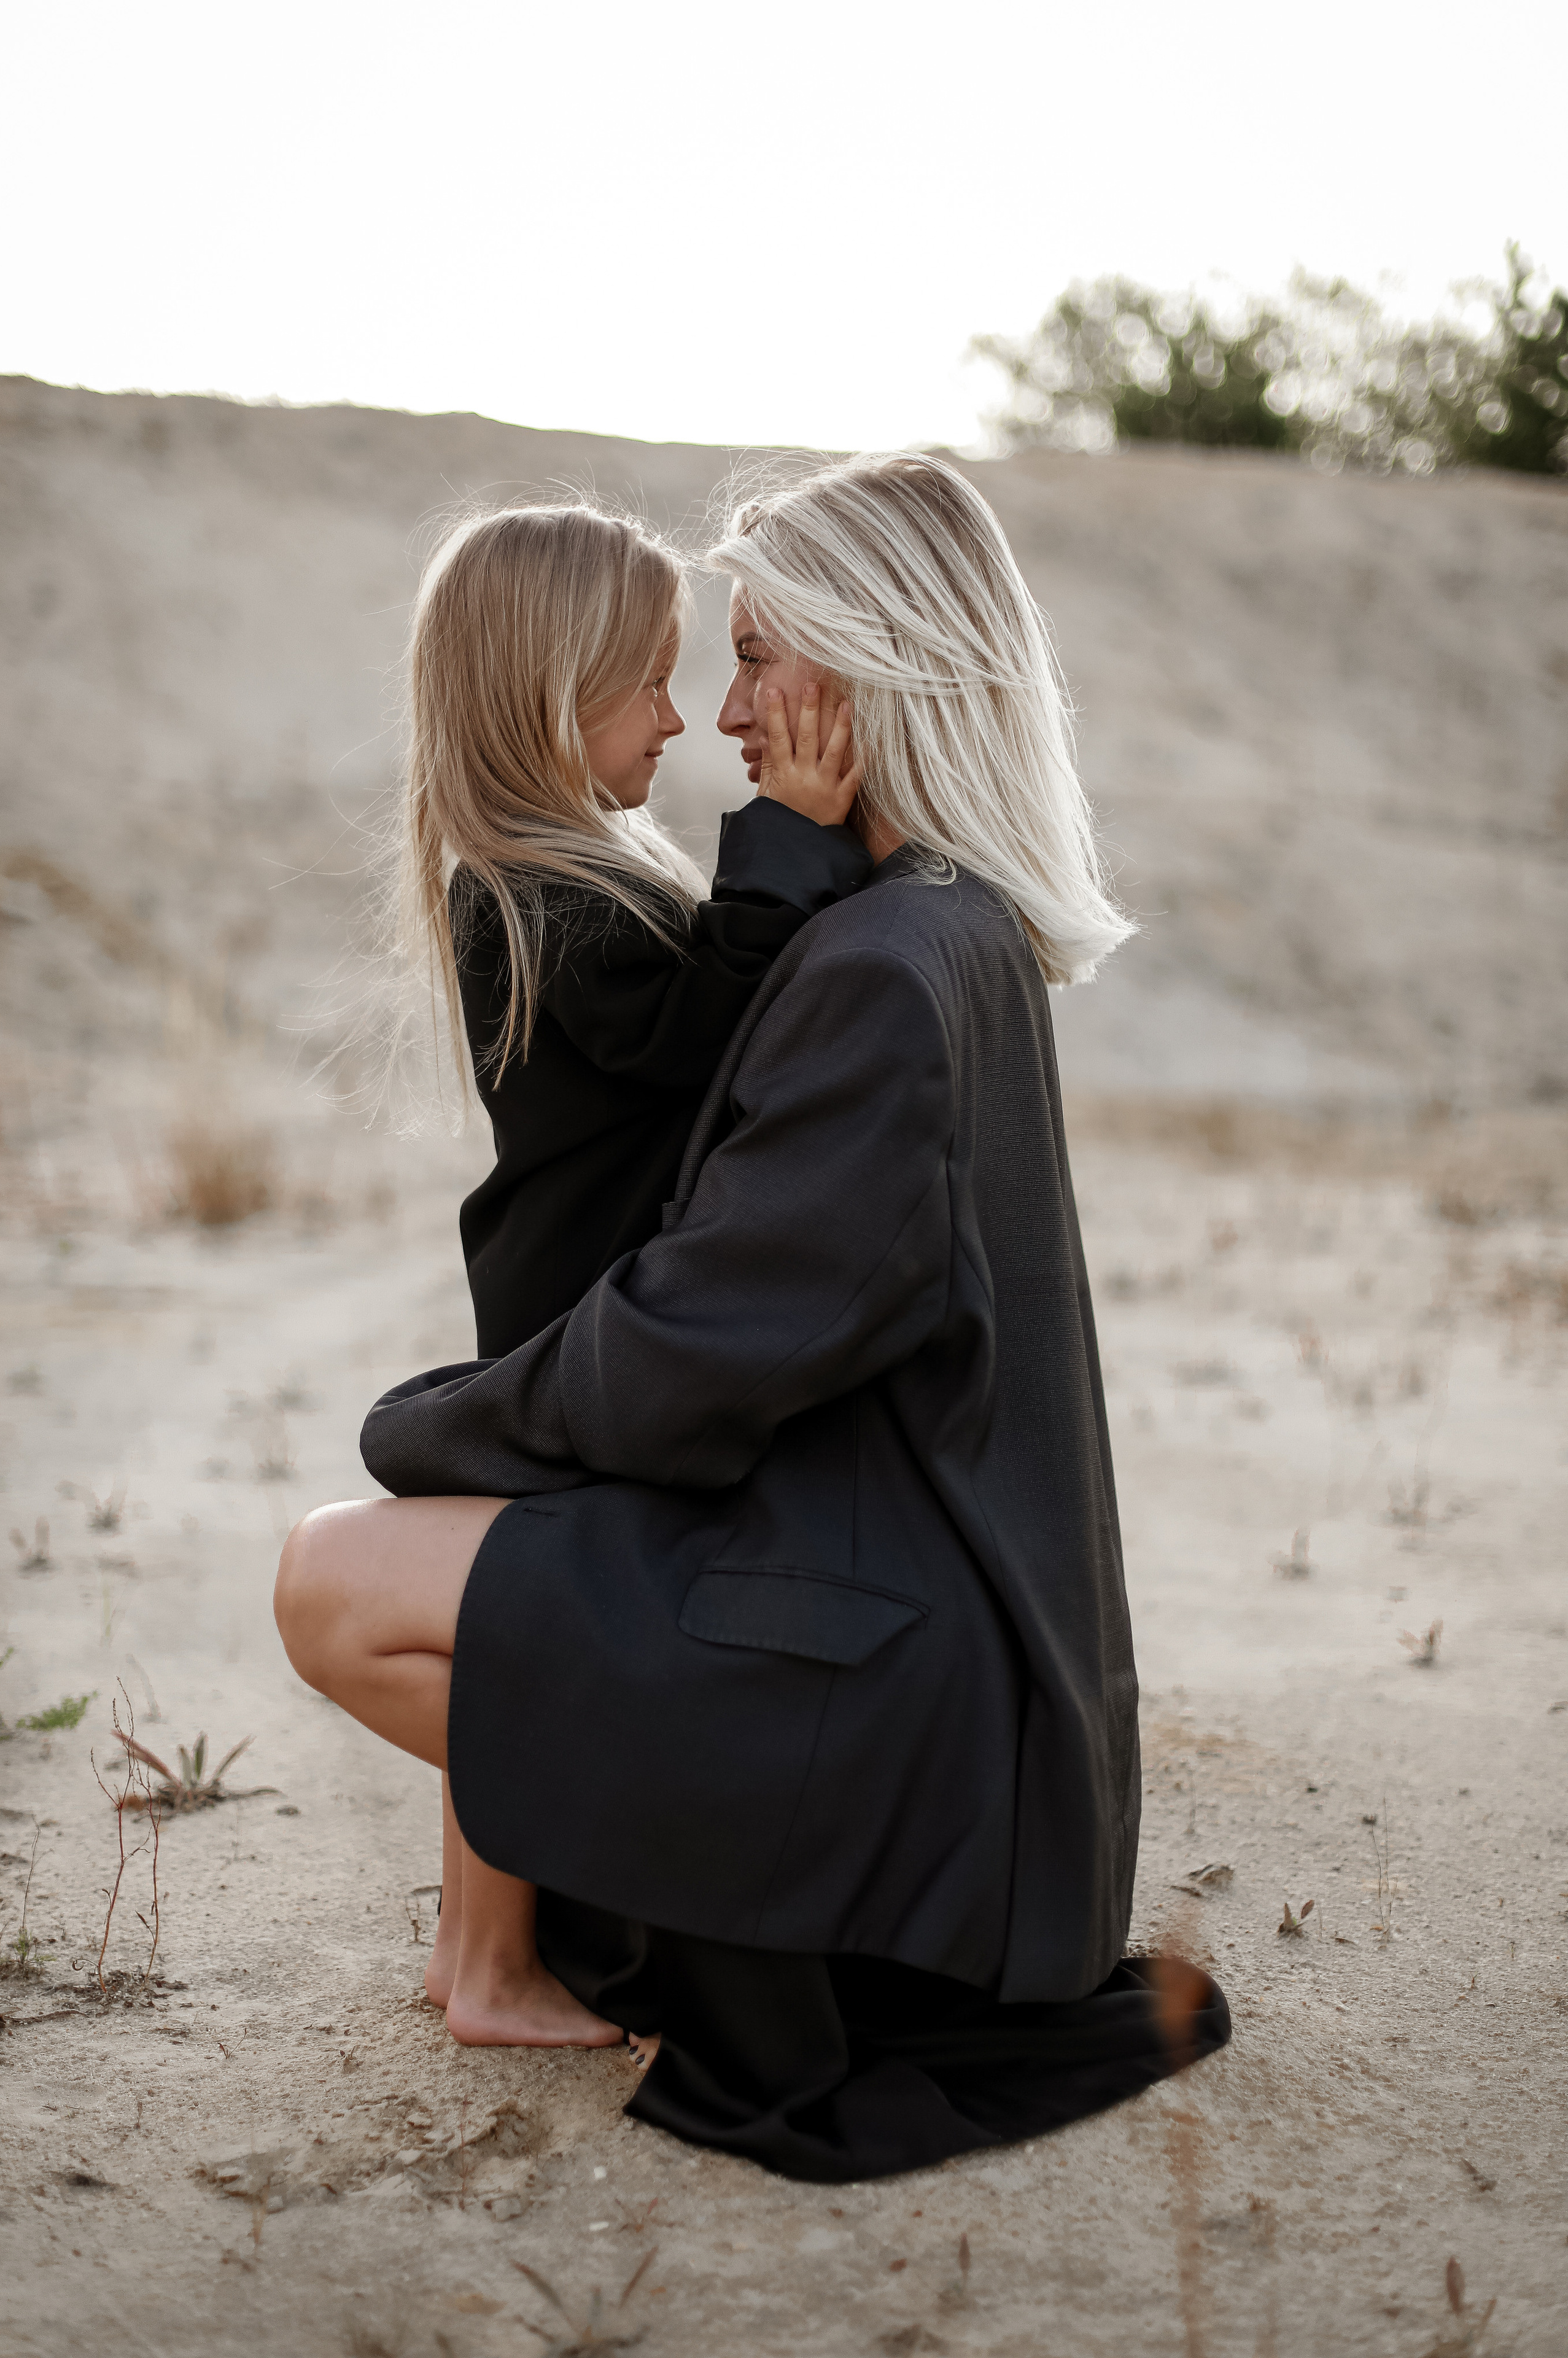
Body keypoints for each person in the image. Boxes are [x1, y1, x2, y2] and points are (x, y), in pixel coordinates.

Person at [275, 454, 1229, 2182]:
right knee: (452, 1561)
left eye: (759, 661)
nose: (721, 718)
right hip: (947, 1672)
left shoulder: (880, 965)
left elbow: (692, 1354)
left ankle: (707, 1905)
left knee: (333, 1578)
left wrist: (429, 1431)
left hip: (922, 1733)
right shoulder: (938, 927)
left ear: (859, 679)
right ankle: (550, 1925)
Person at [327, 500, 871, 2047]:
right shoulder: (540, 897)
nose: (683, 715)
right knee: (527, 1659)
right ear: (547, 696)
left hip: (565, 1313)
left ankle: (467, 1954)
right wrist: (793, 842)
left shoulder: (561, 872)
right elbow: (705, 1033)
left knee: (513, 1638)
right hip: (576, 1328)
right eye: (646, 682)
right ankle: (495, 1972)